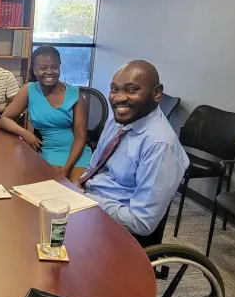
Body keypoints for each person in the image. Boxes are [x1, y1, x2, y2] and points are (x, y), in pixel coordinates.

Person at [74, 60, 188, 246]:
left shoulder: (159, 145)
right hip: (89, 208)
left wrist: (87, 200)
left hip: (119, 233)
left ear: (157, 93)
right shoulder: (117, 121)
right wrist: (77, 184)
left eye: (131, 90)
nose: (119, 98)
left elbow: (141, 222)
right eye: (114, 89)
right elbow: (93, 166)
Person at [0, 45, 92, 181]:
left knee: (77, 187)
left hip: (78, 152)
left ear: (59, 67)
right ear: (35, 70)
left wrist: (67, 168)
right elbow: (5, 119)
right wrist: (25, 134)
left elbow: (80, 135)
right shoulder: (29, 90)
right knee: (52, 187)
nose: (49, 72)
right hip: (50, 151)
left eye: (54, 67)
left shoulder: (75, 93)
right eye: (43, 68)